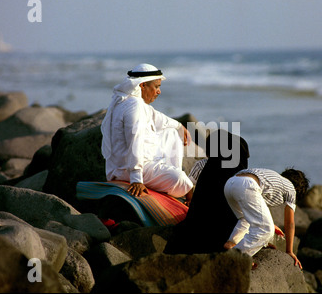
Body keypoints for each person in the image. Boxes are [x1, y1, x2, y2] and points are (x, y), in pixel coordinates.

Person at [101, 63, 193, 198]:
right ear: (142, 85)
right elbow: (135, 140)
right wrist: (136, 179)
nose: (159, 91)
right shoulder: (134, 106)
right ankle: (189, 198)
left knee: (171, 131)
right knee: (180, 178)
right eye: (156, 87)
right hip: (127, 170)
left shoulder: (130, 102)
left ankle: (165, 177)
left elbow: (159, 118)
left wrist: (180, 126)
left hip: (130, 165)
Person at [164, 129, 251, 255]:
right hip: (226, 238)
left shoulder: (208, 169)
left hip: (196, 236)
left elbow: (188, 185)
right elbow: (246, 215)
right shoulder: (241, 176)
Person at [223, 168, 309, 269]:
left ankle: (232, 243)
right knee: (266, 230)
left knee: (246, 219)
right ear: (298, 190)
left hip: (230, 183)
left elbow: (256, 211)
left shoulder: (274, 179)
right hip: (248, 185)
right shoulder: (291, 189)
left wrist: (269, 230)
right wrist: (289, 251)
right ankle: (238, 256)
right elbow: (289, 223)